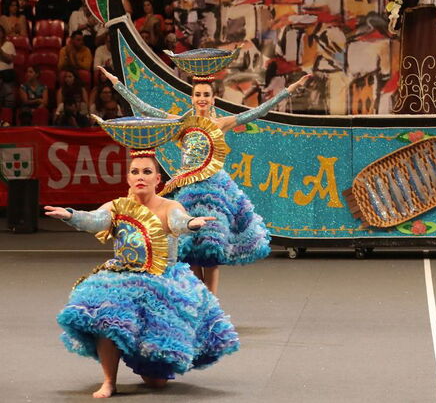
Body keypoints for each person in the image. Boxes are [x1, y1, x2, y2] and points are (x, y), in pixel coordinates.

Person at [99, 64, 312, 293]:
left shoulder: (221, 124)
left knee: (210, 251)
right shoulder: (181, 122)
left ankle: (212, 303)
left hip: (214, 192)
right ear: (192, 98)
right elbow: (145, 108)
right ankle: (199, 299)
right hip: (188, 191)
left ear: (213, 99)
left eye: (206, 95)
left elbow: (258, 111)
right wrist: (116, 84)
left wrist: (289, 89)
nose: (201, 99)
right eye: (198, 95)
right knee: (189, 251)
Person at [44, 149, 239, 398]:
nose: (141, 177)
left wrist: (191, 224)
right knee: (107, 315)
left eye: (147, 172)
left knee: (156, 382)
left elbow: (179, 221)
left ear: (158, 179)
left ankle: (140, 356)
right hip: (123, 278)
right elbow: (95, 220)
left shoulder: (170, 206)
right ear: (128, 178)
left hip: (162, 281)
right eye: (135, 172)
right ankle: (108, 380)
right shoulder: (118, 207)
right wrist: (71, 215)